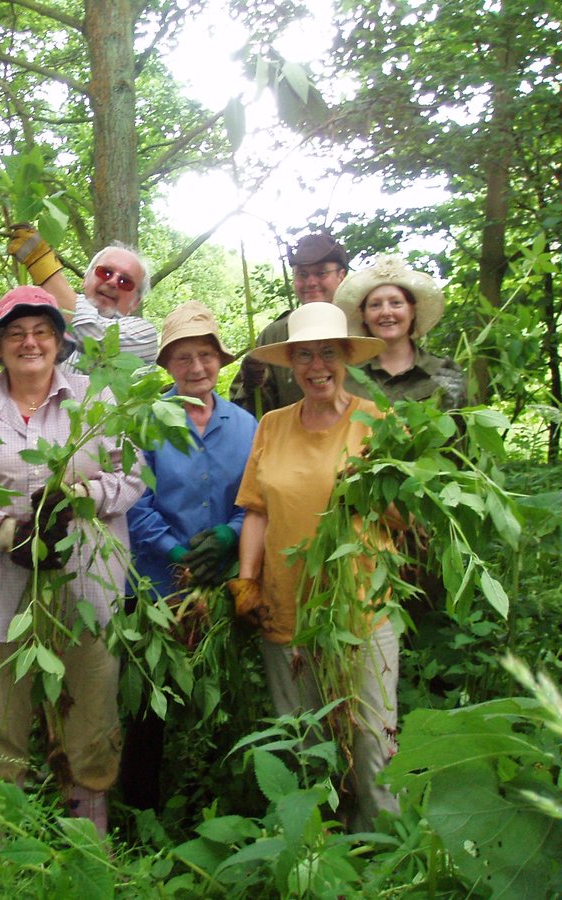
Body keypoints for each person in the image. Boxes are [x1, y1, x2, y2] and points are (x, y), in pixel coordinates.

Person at [0, 285, 144, 837]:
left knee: (90, 705)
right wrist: (7, 532)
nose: (30, 342)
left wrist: (82, 498)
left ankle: (88, 834)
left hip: (84, 582)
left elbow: (132, 475)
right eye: (16, 333)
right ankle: (5, 843)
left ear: (60, 341)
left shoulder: (96, 400)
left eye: (42, 331)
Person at [228, 302, 400, 831]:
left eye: (328, 352)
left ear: (346, 356)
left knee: (372, 743)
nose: (316, 366)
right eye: (304, 356)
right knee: (306, 741)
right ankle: (318, 851)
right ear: (291, 365)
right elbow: (257, 510)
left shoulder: (376, 420)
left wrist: (379, 487)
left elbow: (402, 514)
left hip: (360, 607)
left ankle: (386, 853)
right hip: (287, 607)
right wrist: (247, 581)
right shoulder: (272, 425)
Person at [120, 301, 257, 810]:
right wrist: (174, 549)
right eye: (183, 357)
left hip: (221, 585)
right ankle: (142, 811)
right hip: (155, 587)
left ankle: (218, 805)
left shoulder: (246, 426)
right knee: (148, 706)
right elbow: (132, 500)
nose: (197, 367)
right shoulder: (145, 422)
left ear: (220, 360)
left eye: (206, 355)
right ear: (167, 365)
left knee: (218, 693)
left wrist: (230, 536)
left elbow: (256, 499)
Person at [7, 224, 159, 371]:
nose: (113, 282)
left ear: (136, 302)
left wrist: (40, 261)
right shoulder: (46, 320)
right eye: (105, 272)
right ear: (85, 279)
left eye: (125, 282)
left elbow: (93, 335)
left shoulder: (144, 336)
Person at [231, 232, 350, 416]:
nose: (311, 282)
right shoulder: (274, 336)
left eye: (321, 273)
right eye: (302, 274)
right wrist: (252, 386)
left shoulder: (361, 328)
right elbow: (247, 414)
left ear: (341, 276)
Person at [333, 254, 468, 409]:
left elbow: (467, 422)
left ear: (412, 311)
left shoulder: (444, 372)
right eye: (375, 305)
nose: (386, 312)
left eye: (396, 303)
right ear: (364, 316)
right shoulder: (347, 376)